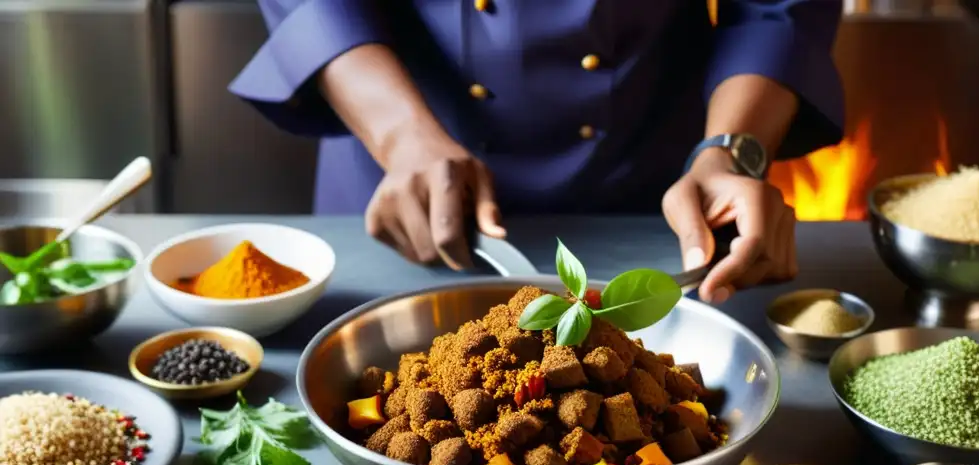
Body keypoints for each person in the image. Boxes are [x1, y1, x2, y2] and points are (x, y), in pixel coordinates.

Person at [231, 1, 844, 303]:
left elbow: (776, 8)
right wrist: (399, 135)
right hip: (403, 183)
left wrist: (729, 151)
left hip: (657, 203)